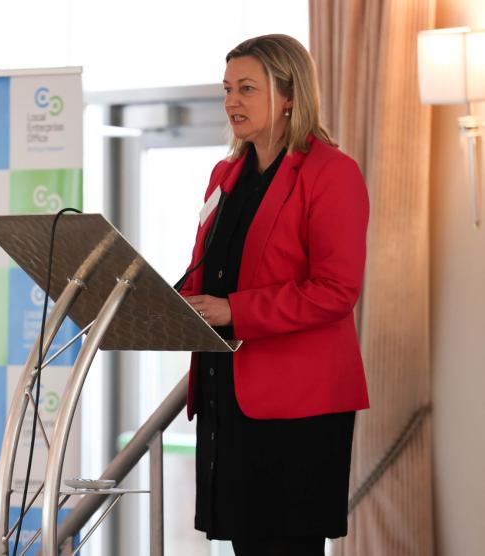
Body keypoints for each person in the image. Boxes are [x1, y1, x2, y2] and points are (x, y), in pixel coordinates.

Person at [176, 34, 370, 556]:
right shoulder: (225, 175)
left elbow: (336, 290)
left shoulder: (331, 173)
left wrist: (233, 311)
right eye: (226, 89)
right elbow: (208, 272)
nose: (231, 102)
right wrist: (171, 302)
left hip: (297, 406)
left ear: (289, 95)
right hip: (226, 393)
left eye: (246, 88)